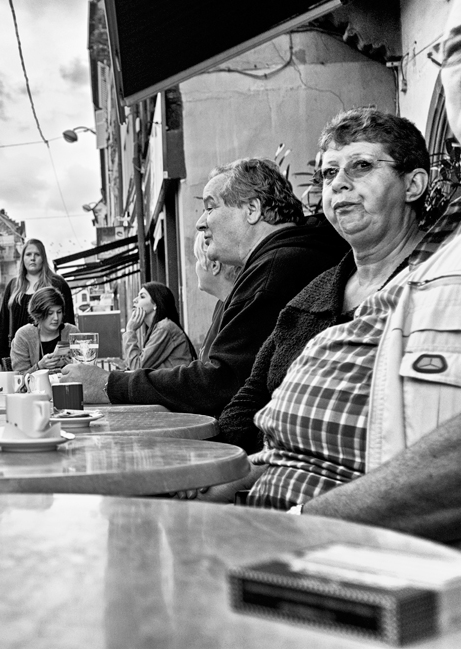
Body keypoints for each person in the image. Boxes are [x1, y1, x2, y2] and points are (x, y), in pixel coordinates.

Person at [191, 105, 461, 544]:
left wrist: (294, 517)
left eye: (361, 166)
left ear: (413, 184)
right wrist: (228, 471)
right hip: (263, 510)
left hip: (350, 542)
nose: (339, 184)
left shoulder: (437, 287)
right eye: (328, 173)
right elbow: (251, 397)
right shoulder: (314, 293)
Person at [61, 158, 348, 416]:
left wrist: (109, 384)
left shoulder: (277, 269)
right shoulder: (281, 261)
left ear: (252, 209)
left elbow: (219, 384)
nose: (200, 223)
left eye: (210, 207)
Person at [0, 239, 75, 361]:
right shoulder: (13, 286)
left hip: (52, 353)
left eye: (37, 254)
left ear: (43, 258)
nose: (32, 258)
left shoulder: (58, 284)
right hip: (19, 354)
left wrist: (67, 352)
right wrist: (1, 355)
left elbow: (68, 321)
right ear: (23, 258)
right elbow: (3, 323)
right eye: (28, 254)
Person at [123, 282, 196, 370]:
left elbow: (137, 367)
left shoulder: (164, 328)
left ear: (155, 304)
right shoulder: (158, 328)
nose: (135, 300)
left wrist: (130, 330)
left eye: (142, 296)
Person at [192, 235, 240, 362]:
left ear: (214, 265)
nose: (195, 266)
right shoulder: (222, 304)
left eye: (197, 258)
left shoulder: (235, 308)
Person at [10, 287, 79, 374]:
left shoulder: (72, 332)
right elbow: (19, 377)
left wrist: (74, 365)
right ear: (38, 314)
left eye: (59, 312)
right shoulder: (24, 335)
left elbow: (86, 371)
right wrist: (39, 366)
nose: (56, 318)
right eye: (50, 313)